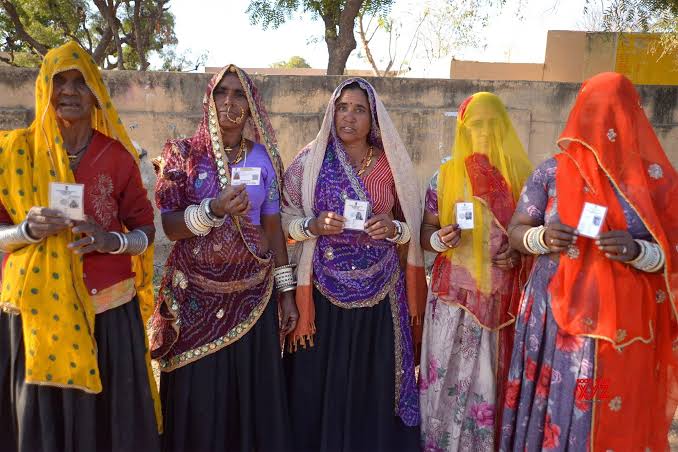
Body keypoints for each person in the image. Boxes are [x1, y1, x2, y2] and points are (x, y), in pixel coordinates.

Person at [500, 72, 678, 451]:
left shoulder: (654, 181)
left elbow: (673, 253)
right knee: (560, 397)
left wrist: (638, 251)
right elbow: (516, 230)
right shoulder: (551, 172)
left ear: (632, 115)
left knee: (600, 399)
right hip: (554, 319)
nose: (605, 123)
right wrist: (541, 238)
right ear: (580, 113)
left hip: (621, 328)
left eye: (615, 111)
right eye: (595, 110)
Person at [0, 41, 160, 451]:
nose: (69, 91)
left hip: (107, 313)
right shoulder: (15, 152)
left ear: (95, 93)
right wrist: (26, 231)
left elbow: (145, 230)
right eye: (60, 81)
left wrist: (111, 240)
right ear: (44, 88)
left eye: (80, 82)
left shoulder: (117, 157)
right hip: (37, 315)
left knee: (106, 426)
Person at [151, 64, 298, 452]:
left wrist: (286, 293)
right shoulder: (182, 153)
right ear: (209, 100)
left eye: (239, 94)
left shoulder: (264, 158)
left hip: (253, 297)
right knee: (199, 396)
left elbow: (272, 228)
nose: (229, 102)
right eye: (221, 92)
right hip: (195, 298)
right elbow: (170, 226)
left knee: (247, 395)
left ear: (251, 107)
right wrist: (213, 209)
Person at [281, 77, 427, 451]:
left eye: (359, 109)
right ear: (332, 112)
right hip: (322, 289)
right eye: (342, 107)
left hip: (381, 292)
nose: (349, 116)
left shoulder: (391, 164)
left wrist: (393, 228)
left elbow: (412, 225)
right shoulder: (310, 161)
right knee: (321, 376)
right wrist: (311, 226)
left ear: (372, 117)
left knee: (371, 375)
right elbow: (283, 219)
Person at [418, 92, 533, 451]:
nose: (484, 130)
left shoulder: (521, 179)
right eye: (476, 124)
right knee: (446, 378)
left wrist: (516, 254)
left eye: (491, 123)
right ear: (463, 129)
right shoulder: (445, 176)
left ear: (503, 126)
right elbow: (425, 233)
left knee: (491, 379)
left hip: (500, 301)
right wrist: (439, 238)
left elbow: (530, 237)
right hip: (453, 299)